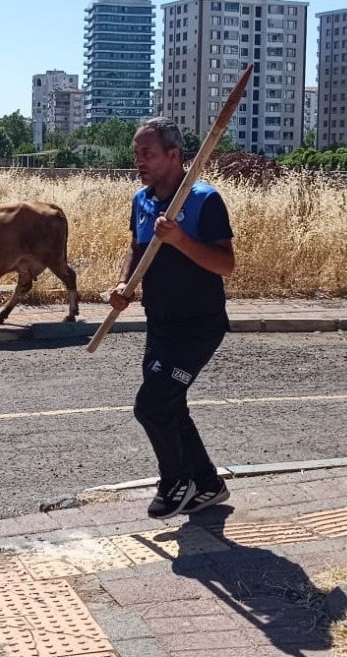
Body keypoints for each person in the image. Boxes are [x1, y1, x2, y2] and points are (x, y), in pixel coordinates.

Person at [107, 116, 236, 519]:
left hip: (198, 325)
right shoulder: (141, 200)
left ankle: (176, 481)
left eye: (147, 153)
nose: (139, 160)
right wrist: (124, 285)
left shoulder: (203, 199)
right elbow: (136, 246)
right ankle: (208, 484)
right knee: (171, 404)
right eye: (136, 153)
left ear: (174, 155)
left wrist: (180, 239)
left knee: (151, 405)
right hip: (159, 322)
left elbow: (225, 265)